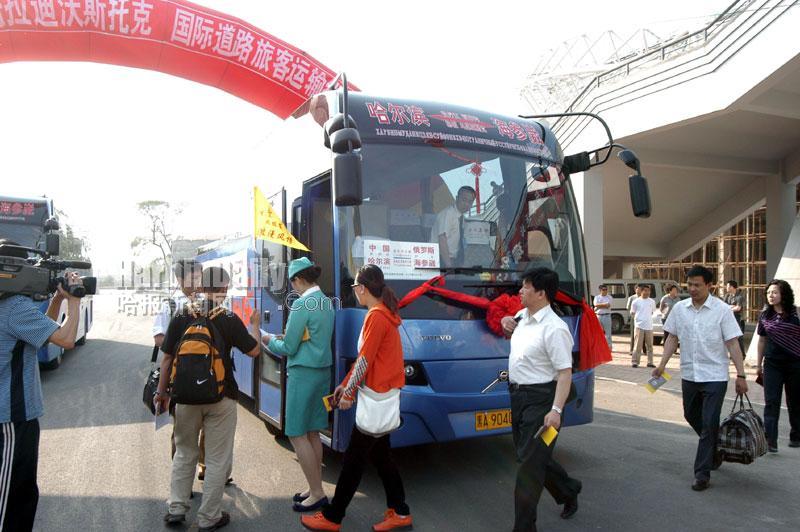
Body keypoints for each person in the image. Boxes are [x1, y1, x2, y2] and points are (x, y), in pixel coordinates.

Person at [301, 265, 411, 532]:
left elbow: (364, 360)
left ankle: (333, 517)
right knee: (382, 458)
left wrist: (348, 392)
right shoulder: (384, 313)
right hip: (383, 396)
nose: (354, 293)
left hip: (376, 398)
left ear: (362, 288)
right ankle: (400, 512)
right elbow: (365, 359)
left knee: (354, 461)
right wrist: (344, 385)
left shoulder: (376, 316)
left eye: (354, 288)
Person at [155, 267, 261, 531]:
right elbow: (254, 351)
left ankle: (176, 507)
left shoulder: (181, 315)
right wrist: (255, 326)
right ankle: (209, 516)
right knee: (216, 458)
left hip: (184, 398)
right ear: (224, 288)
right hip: (221, 397)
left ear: (201, 287)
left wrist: (162, 393)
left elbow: (166, 359)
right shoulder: (228, 318)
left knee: (184, 452)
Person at [0, 239, 83, 531]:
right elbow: (66, 339)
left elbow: (41, 334)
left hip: (15, 418)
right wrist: (75, 300)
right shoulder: (14, 308)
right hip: (12, 419)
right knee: (11, 501)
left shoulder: (11, 307)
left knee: (22, 493)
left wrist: (57, 300)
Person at [498, 266, 582, 532]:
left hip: (545, 403)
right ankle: (568, 490)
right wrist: (504, 322)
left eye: (526, 287)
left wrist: (556, 410)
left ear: (541, 293)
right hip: (519, 398)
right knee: (531, 456)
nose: (520, 291)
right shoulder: (522, 316)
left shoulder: (555, 329)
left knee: (529, 468)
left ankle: (523, 527)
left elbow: (565, 373)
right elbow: (509, 329)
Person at [653, 265, 748, 491]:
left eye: (697, 285)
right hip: (690, 374)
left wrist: (741, 375)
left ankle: (702, 473)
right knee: (690, 414)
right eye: (689, 284)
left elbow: (733, 343)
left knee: (708, 422)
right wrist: (662, 364)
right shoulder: (680, 309)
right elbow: (672, 338)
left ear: (709, 285)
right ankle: (714, 448)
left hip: (715, 376)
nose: (692, 289)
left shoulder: (722, 310)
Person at [259, 258, 334, 512]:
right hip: (322, 372)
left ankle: (317, 493)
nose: (292, 287)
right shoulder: (326, 302)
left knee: (295, 433)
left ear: (298, 279)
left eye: (292, 282)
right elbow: (309, 336)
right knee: (313, 432)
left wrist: (268, 339)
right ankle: (315, 487)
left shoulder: (302, 304)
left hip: (303, 375)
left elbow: (289, 347)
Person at [152, 259, 204, 469]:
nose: (198, 281)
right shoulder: (170, 305)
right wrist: (188, 346)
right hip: (180, 376)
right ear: (180, 279)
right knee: (182, 431)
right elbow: (159, 338)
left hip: (207, 374)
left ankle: (205, 466)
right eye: (194, 277)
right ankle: (180, 474)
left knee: (208, 426)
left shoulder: (207, 302)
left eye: (200, 276)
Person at [755, 280, 800, 452]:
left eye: (774, 292)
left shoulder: (796, 313)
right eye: (768, 293)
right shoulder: (765, 315)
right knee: (771, 401)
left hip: (795, 364)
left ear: (783, 294)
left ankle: (796, 436)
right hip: (772, 364)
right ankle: (770, 441)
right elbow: (761, 340)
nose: (771, 296)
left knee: (795, 401)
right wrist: (758, 365)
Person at [430, 185, 476, 267]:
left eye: (470, 202)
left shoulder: (461, 217)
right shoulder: (448, 214)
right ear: (457, 198)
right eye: (464, 200)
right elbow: (442, 239)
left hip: (452, 260)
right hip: (440, 259)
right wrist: (449, 265)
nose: (466, 204)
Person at [630, 285, 656, 368]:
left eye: (649, 291)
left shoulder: (652, 301)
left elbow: (652, 312)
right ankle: (635, 362)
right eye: (645, 290)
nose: (647, 292)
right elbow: (632, 313)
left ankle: (650, 362)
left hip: (649, 326)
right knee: (638, 345)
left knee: (650, 346)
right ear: (641, 291)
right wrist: (638, 320)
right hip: (639, 326)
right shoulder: (636, 301)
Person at [724, 280, 746, 356]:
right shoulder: (727, 296)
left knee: (739, 337)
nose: (726, 288)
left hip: (738, 319)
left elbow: (738, 308)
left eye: (727, 286)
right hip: (729, 319)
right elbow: (723, 306)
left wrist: (729, 307)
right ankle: (732, 354)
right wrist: (731, 307)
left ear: (732, 287)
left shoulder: (739, 297)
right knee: (730, 337)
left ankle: (742, 355)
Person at [626, 285, 646, 357]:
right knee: (633, 335)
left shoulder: (644, 298)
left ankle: (644, 349)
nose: (639, 290)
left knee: (643, 334)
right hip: (634, 318)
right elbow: (628, 307)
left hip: (642, 319)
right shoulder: (631, 298)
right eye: (638, 289)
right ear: (635, 290)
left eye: (640, 289)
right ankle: (632, 350)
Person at [593, 284, 613, 349]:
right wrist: (604, 304)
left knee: (608, 333)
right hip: (598, 316)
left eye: (606, 289)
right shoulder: (597, 297)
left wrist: (599, 306)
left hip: (607, 316)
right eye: (603, 290)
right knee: (598, 333)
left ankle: (609, 347)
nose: (605, 291)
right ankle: (600, 348)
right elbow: (595, 305)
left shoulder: (609, 297)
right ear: (600, 290)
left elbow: (608, 305)